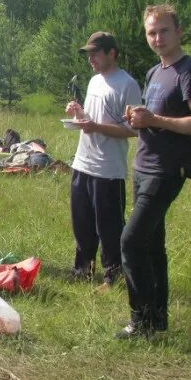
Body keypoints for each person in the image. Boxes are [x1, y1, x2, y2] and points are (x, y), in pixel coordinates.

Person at [117, 4, 191, 339]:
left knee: (129, 242)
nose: (157, 38)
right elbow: (153, 116)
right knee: (152, 245)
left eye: (163, 31)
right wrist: (138, 119)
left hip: (167, 170)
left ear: (178, 31)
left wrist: (154, 120)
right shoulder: (155, 72)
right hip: (143, 165)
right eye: (151, 32)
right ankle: (157, 320)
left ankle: (140, 322)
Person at [65, 31, 141, 289]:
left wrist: (95, 126)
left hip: (108, 170)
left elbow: (133, 130)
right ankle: (83, 270)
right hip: (83, 162)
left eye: (95, 54)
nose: (91, 60)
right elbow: (90, 122)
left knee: (108, 228)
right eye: (88, 55)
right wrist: (78, 114)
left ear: (112, 53)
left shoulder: (127, 84)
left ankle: (112, 276)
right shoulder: (95, 81)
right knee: (82, 222)